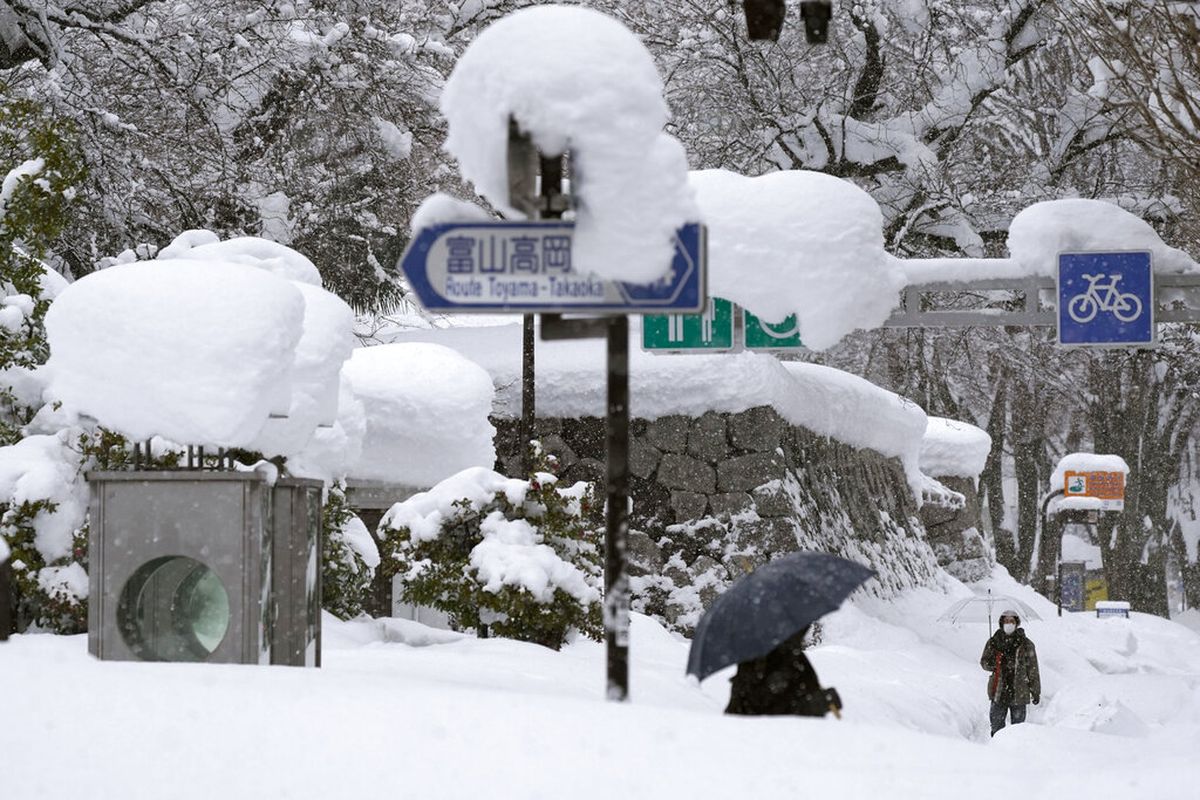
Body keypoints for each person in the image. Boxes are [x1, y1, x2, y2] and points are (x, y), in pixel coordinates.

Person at [725, 626, 840, 717]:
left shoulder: (796, 657)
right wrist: (814, 705)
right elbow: (750, 713)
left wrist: (824, 701)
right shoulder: (759, 658)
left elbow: (808, 692)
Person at [980, 609, 1041, 736]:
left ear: (1016, 623)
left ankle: (1015, 754)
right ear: (1001, 623)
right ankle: (996, 752)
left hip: (1019, 692)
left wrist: (1035, 692)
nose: (1009, 624)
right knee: (996, 728)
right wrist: (993, 663)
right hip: (998, 690)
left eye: (1012, 621)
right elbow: (984, 663)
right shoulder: (993, 642)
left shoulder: (1026, 644)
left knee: (1018, 731)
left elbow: (1033, 670)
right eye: (1006, 621)